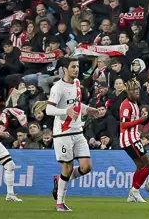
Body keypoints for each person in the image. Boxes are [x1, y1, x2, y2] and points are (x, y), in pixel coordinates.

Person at [46, 57, 102, 212]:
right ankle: (60, 203)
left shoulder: (77, 83)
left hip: (77, 130)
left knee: (86, 167)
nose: (76, 69)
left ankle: (60, 180)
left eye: (77, 67)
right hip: (63, 133)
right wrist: (65, 111)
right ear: (65, 69)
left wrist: (89, 109)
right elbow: (49, 109)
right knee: (68, 167)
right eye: (73, 67)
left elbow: (76, 104)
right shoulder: (58, 87)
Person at [119, 78, 149, 203]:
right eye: (133, 90)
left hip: (133, 138)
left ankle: (132, 194)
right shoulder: (126, 105)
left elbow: (140, 120)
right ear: (128, 91)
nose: (136, 92)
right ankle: (135, 190)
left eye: (137, 89)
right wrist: (141, 119)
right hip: (129, 139)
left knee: (140, 166)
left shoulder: (135, 103)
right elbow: (124, 125)